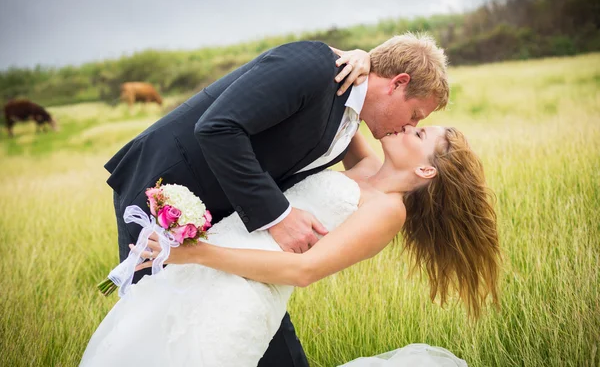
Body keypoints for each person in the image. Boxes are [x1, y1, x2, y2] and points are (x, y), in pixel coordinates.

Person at [101, 33, 450, 365]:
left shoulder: (350, 124)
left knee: (245, 334)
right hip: (165, 193)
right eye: (415, 116)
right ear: (398, 83)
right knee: (154, 327)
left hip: (234, 233)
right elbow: (217, 127)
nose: (408, 125)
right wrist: (279, 216)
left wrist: (365, 57)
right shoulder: (316, 66)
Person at [81, 124, 500, 366]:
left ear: (426, 168)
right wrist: (356, 58)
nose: (409, 124)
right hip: (208, 263)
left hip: (242, 294)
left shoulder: (389, 210)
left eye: (420, 131)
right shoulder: (368, 166)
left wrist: (196, 252)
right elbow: (354, 102)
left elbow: (305, 270)